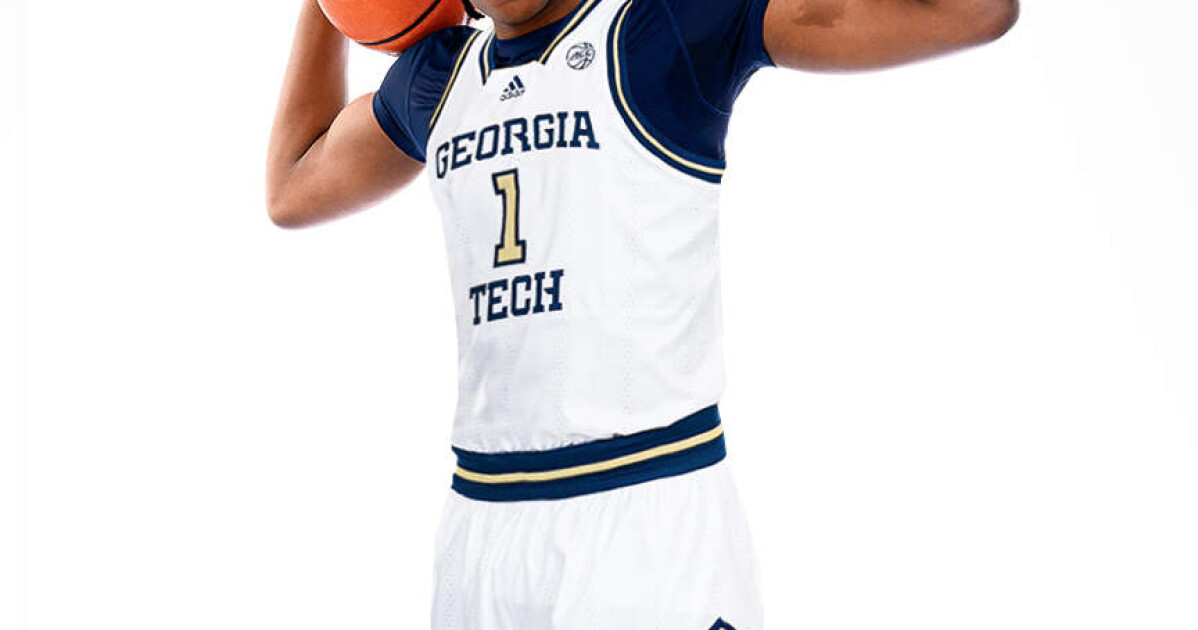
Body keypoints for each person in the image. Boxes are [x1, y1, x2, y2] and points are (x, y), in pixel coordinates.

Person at [266, 0, 1018, 627]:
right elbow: (292, 187)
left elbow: (976, 12)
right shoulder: (438, 78)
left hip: (646, 516)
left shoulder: (665, 28)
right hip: (481, 529)